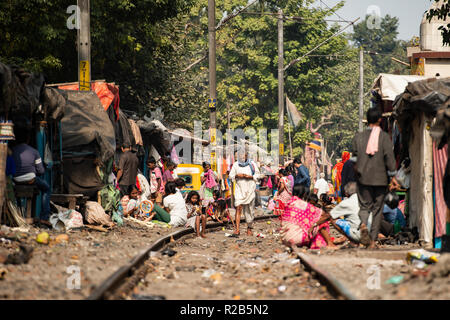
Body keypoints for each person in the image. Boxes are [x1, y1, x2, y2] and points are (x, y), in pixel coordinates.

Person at [352, 107, 400, 248]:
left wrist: (358, 175)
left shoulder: (358, 137)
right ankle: (372, 241)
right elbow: (390, 160)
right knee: (377, 210)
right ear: (380, 119)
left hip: (363, 178)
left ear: (367, 119)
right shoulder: (384, 137)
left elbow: (354, 160)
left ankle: (363, 224)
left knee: (364, 206)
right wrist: (393, 177)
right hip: (380, 180)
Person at [12, 131, 51, 225]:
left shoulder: (11, 150)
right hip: (31, 180)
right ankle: (44, 217)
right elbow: (41, 171)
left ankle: (18, 215)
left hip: (15, 180)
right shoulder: (34, 151)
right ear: (28, 139)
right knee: (46, 188)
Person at [281, 184, 336, 249]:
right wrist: (315, 224)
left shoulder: (288, 203)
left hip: (284, 239)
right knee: (321, 221)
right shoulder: (303, 205)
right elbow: (326, 216)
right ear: (304, 194)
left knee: (313, 221)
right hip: (296, 239)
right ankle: (329, 243)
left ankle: (332, 241)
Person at [229, 150, 260, 236]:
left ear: (246, 156)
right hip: (239, 189)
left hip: (250, 189)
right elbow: (230, 175)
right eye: (240, 155)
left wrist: (249, 177)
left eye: (243, 155)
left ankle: (249, 228)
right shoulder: (236, 165)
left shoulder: (252, 164)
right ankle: (237, 229)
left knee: (250, 210)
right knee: (238, 207)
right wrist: (237, 176)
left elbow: (258, 175)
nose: (242, 157)